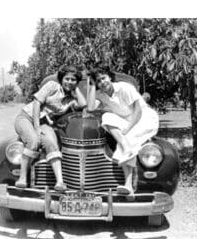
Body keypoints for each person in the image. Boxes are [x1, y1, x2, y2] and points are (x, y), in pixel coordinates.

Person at [88, 66, 159, 195]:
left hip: (143, 119)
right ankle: (125, 147)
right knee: (106, 117)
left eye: (104, 78)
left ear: (110, 77)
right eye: (98, 81)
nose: (102, 82)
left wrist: (128, 129)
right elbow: (91, 107)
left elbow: (138, 110)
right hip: (125, 120)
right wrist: (92, 86)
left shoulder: (124, 87)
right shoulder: (101, 94)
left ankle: (128, 184)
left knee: (128, 140)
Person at [14, 65, 87, 191]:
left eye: (73, 80)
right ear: (61, 79)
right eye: (67, 79)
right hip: (27, 118)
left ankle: (59, 182)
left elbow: (83, 104)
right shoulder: (52, 86)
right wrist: (36, 127)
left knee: (52, 144)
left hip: (45, 123)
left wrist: (77, 89)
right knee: (33, 141)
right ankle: (22, 178)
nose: (69, 82)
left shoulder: (70, 99)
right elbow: (37, 103)